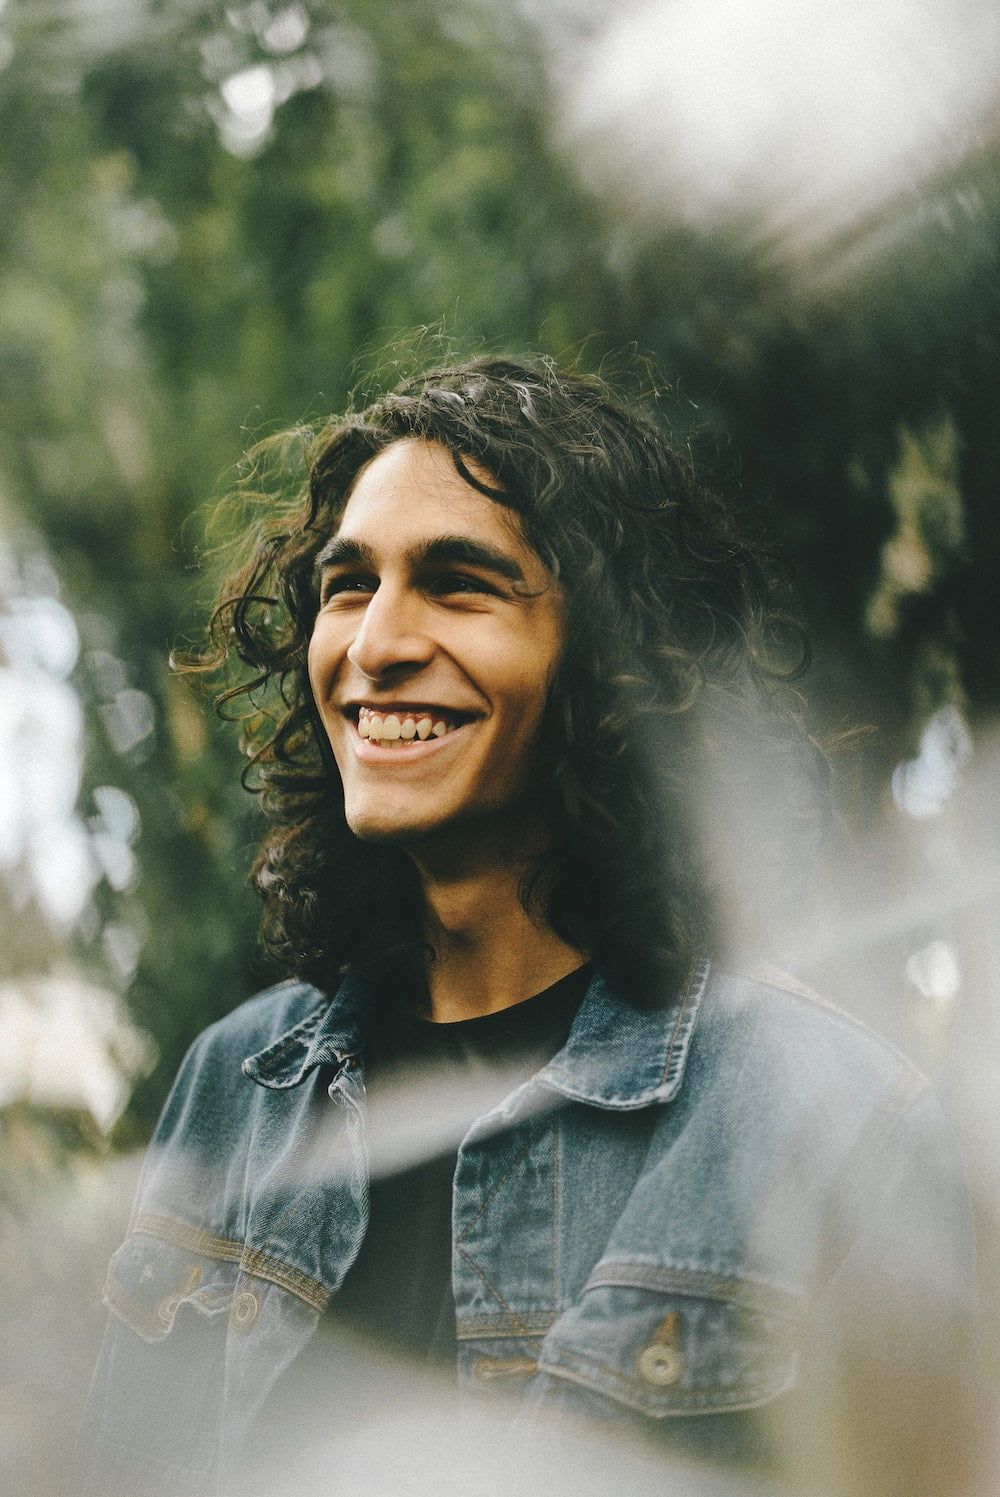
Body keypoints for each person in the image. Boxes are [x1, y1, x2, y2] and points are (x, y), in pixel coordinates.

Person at [80, 357, 981, 1497]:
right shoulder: (235, 1088)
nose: (375, 644)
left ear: (610, 668)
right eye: (347, 584)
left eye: (459, 584)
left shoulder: (839, 1126)